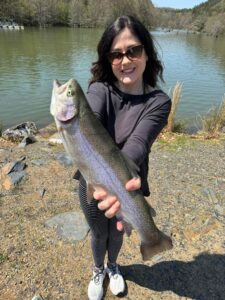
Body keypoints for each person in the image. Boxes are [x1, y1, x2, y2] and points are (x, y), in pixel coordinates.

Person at [74, 15, 172, 300]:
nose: (125, 60)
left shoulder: (158, 102)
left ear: (147, 52)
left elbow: (137, 145)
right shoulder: (98, 90)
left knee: (117, 233)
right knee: (99, 233)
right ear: (108, 59)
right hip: (92, 183)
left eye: (133, 50)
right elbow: (89, 119)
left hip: (128, 185)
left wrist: (118, 186)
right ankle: (98, 269)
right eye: (116, 54)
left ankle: (114, 265)